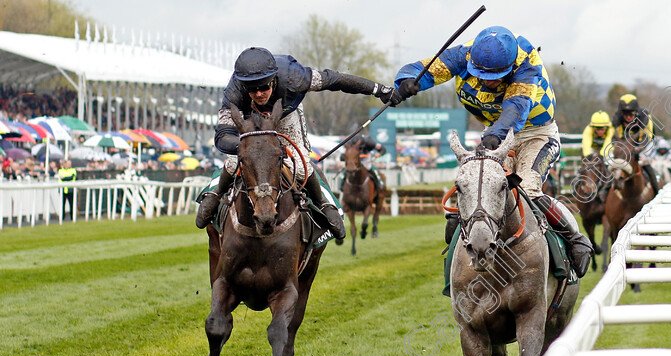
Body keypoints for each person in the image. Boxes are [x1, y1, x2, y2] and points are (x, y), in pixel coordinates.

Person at [391, 25, 593, 277]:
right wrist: (408, 81)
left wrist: (494, 137)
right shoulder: (466, 54)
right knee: (476, 188)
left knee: (528, 189)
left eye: (496, 75)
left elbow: (515, 109)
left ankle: (573, 238)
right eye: (482, 74)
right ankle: (458, 254)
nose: (488, 81)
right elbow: (433, 67)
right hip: (494, 134)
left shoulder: (526, 64)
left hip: (535, 135)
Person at [195, 47, 399, 240]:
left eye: (264, 87)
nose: (259, 94)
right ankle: (214, 194)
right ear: (242, 85)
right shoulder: (234, 92)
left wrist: (378, 89)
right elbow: (222, 137)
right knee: (234, 161)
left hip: (286, 115)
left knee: (300, 166)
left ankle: (325, 204)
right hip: (249, 118)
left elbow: (336, 80)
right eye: (252, 89)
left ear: (274, 80)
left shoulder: (295, 77)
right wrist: (252, 150)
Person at [611, 94, 658, 194]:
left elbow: (647, 136)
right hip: (628, 141)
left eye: (631, 114)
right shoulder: (617, 118)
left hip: (645, 142)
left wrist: (639, 149)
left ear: (636, 112)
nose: (628, 117)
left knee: (644, 161)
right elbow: (619, 138)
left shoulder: (645, 117)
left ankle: (656, 190)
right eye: (625, 114)